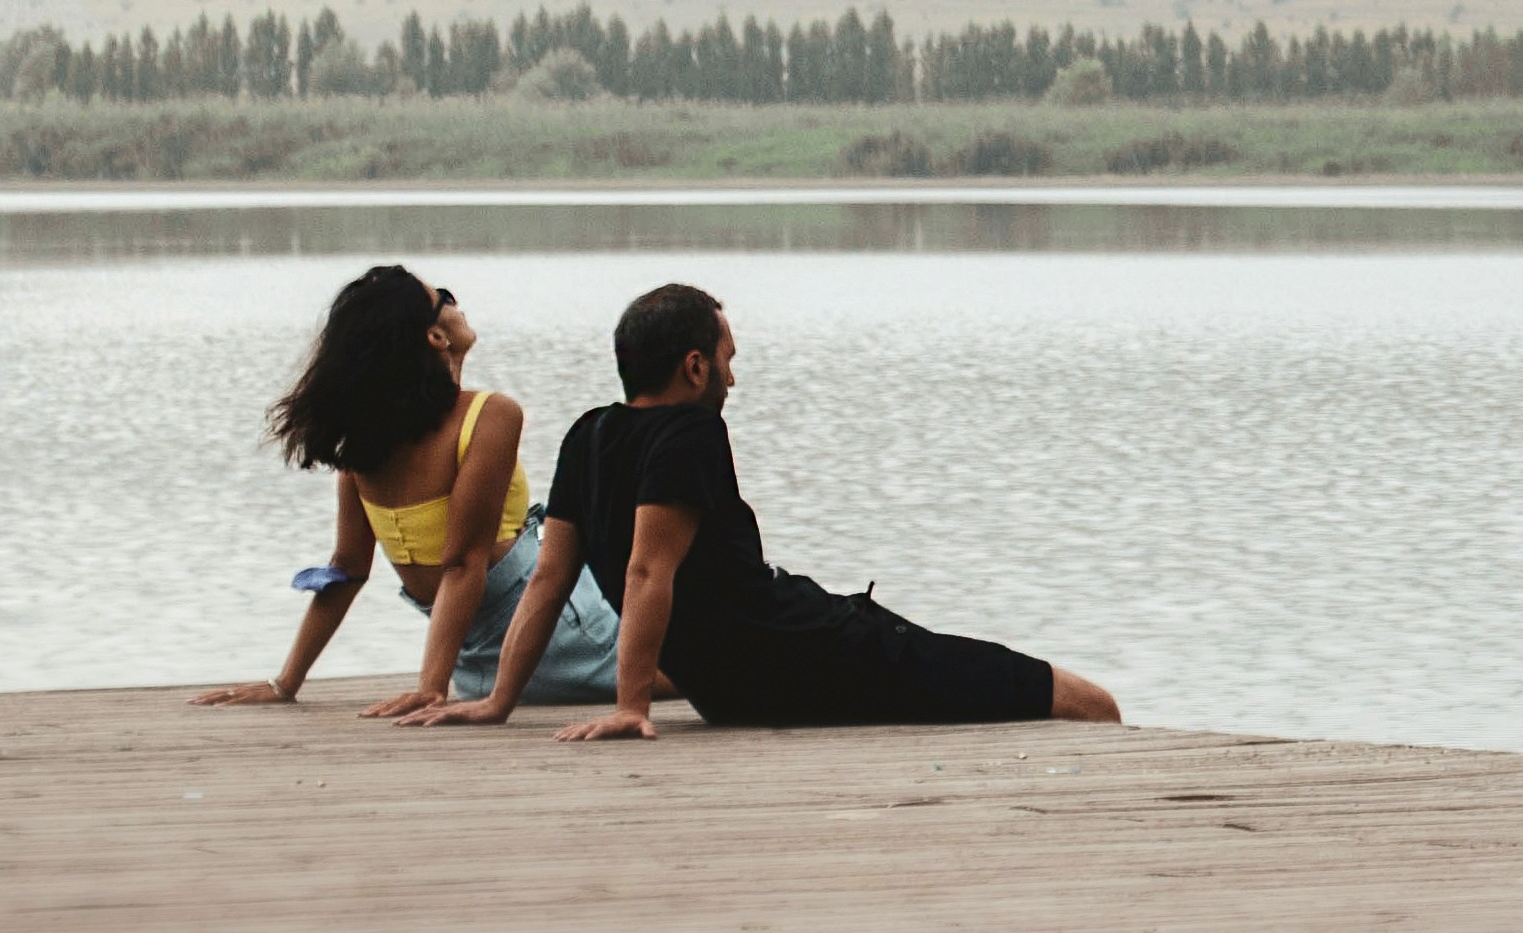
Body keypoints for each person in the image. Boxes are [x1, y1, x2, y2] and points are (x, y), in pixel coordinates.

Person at [416, 280, 1122, 742]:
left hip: (731, 692)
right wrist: (631, 707)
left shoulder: (587, 433)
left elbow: (550, 579)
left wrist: (500, 700)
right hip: (803, 653)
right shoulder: (691, 431)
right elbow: (646, 572)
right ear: (694, 366)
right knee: (1080, 700)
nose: (732, 375)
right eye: (726, 359)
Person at [193, 264, 629, 718]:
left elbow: (346, 568)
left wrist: (285, 682)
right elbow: (463, 562)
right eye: (444, 296)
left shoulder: (364, 442)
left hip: (480, 671)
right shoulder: (490, 414)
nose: (456, 303)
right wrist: (430, 689)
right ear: (435, 337)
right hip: (566, 639)